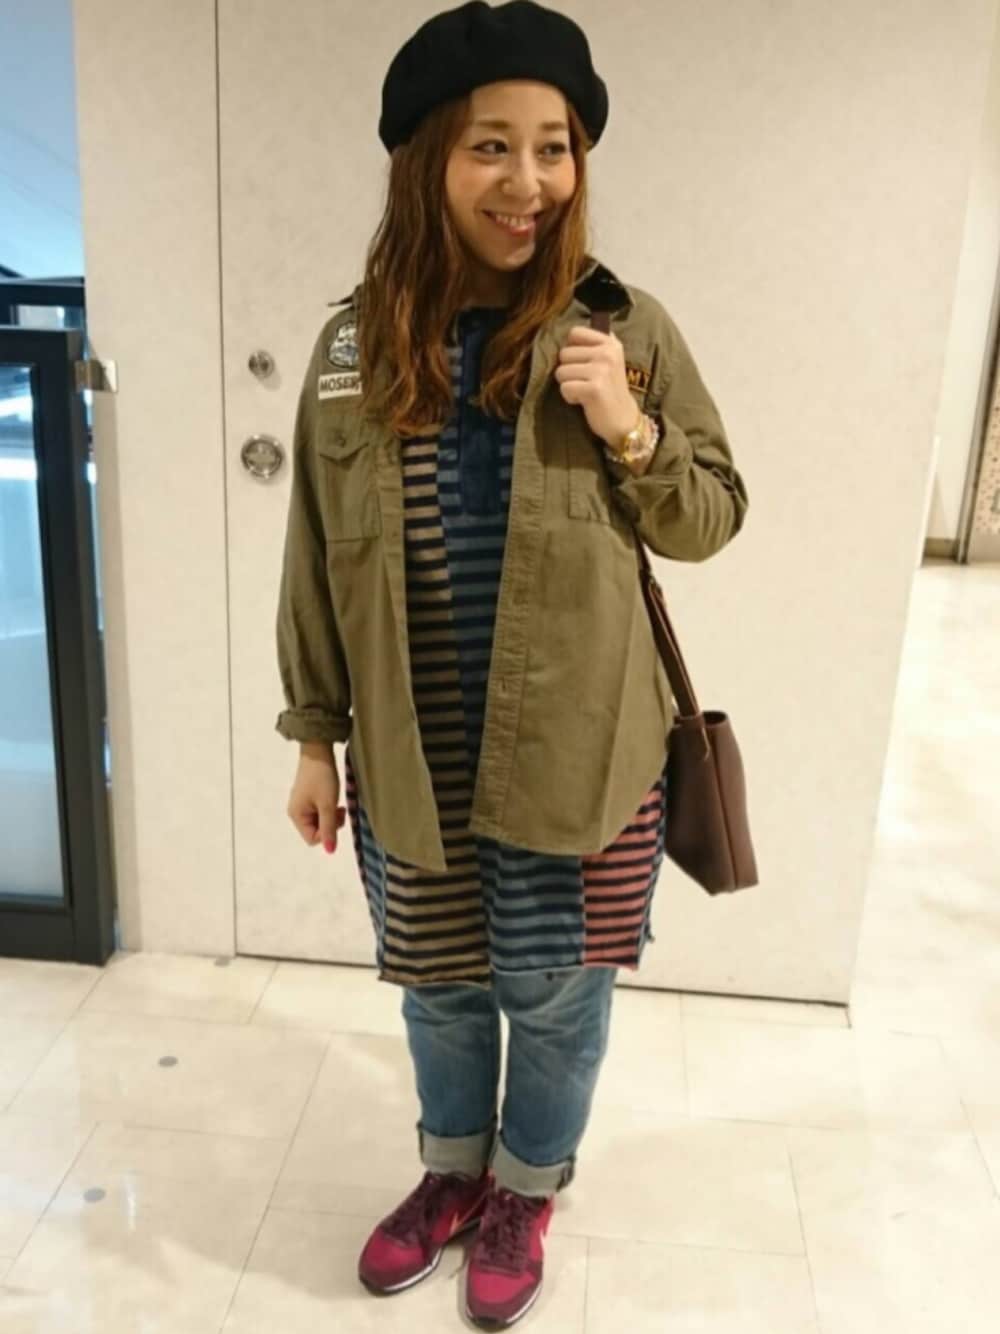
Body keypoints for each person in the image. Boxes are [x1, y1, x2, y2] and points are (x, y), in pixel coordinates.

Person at [274, 2, 749, 1327]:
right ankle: (451, 1171)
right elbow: (313, 552)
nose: (528, 180)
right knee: (440, 990)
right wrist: (313, 737)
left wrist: (632, 426)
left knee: (552, 998)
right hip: (412, 755)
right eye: (492, 144)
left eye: (555, 147)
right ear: (428, 158)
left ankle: (525, 1187)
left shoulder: (626, 328)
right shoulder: (350, 351)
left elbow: (713, 517)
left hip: (580, 758)